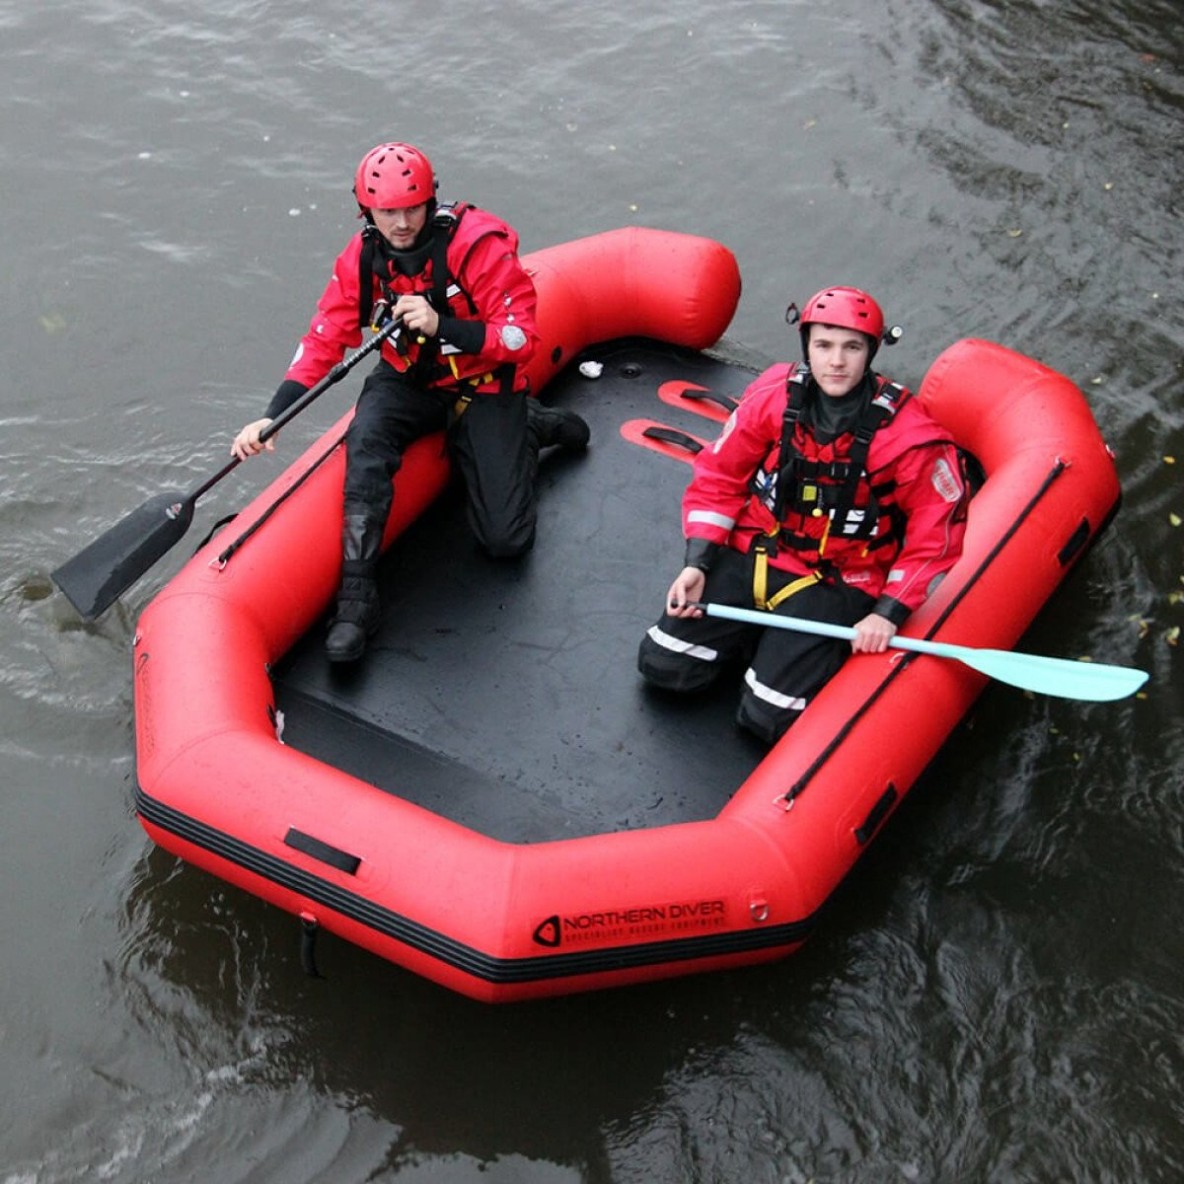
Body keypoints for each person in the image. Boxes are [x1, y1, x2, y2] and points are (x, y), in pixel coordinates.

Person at [232, 141, 589, 662]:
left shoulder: (477, 245)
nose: (401, 223)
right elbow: (324, 337)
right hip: (407, 380)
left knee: (505, 541)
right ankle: (356, 600)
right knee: (366, 442)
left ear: (430, 201)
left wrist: (443, 325)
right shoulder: (363, 257)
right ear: (367, 211)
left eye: (412, 208)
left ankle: (529, 425)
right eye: (388, 212)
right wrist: (272, 416)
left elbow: (520, 339)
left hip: (483, 385)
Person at [638, 285, 968, 744]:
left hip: (837, 580)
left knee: (767, 717)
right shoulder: (773, 397)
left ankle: (787, 650)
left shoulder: (909, 439)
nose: (837, 361)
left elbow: (937, 537)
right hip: (758, 552)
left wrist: (888, 613)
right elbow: (719, 477)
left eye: (852, 348)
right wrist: (697, 562)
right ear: (806, 346)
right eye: (824, 345)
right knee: (664, 665)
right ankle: (755, 636)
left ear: (871, 352)